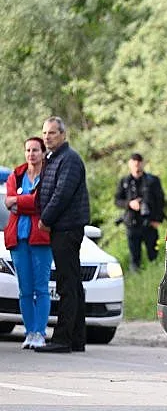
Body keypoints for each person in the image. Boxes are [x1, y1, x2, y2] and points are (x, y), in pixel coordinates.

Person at [35, 116, 90, 354]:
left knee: (67, 284)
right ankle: (77, 338)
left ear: (63, 135)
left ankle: (63, 339)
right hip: (62, 228)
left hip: (66, 228)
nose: (47, 137)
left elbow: (61, 194)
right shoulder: (53, 158)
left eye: (52, 133)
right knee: (73, 283)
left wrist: (45, 219)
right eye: (45, 133)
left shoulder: (69, 159)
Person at [3, 137, 52, 349]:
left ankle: (40, 333)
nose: (31, 154)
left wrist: (19, 202)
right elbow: (8, 202)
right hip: (18, 238)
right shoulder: (17, 174)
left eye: (35, 150)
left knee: (41, 288)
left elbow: (41, 202)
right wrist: (27, 201)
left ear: (43, 153)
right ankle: (29, 332)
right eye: (28, 150)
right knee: (25, 289)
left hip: (40, 238)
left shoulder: (49, 175)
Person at [114, 153, 165, 271]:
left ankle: (155, 275)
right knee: (134, 258)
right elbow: (117, 201)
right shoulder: (125, 182)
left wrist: (157, 219)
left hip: (149, 223)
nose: (137, 166)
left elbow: (160, 201)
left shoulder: (152, 181)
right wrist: (129, 204)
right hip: (132, 224)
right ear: (130, 164)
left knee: (154, 256)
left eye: (139, 162)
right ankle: (136, 276)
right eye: (134, 163)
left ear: (142, 163)